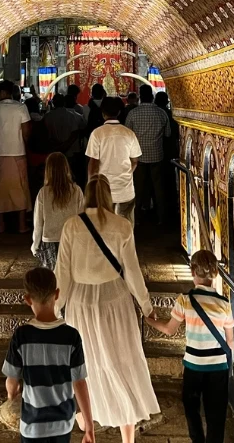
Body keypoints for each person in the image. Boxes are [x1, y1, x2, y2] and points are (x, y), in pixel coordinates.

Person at [55, 175, 160, 443]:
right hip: (115, 299)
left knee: (84, 363)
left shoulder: (71, 226)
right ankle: (128, 438)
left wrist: (54, 309)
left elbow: (62, 272)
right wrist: (146, 306)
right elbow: (132, 272)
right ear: (109, 196)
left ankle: (87, 426)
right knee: (123, 362)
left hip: (80, 302)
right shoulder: (122, 226)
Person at [146, 250, 234, 443]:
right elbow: (230, 341)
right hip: (218, 367)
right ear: (215, 273)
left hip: (194, 366)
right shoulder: (224, 304)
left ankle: (197, 440)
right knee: (216, 412)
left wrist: (150, 320)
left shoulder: (185, 301)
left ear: (193, 271)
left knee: (191, 406)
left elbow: (169, 330)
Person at [3, 268, 95, 443]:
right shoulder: (71, 336)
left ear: (27, 299)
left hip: (32, 426)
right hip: (62, 424)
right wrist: (89, 426)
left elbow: (12, 381)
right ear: (57, 294)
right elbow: (80, 383)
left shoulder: (22, 336)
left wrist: (11, 395)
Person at [86, 97, 141, 225]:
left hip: (103, 191)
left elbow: (93, 163)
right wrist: (127, 173)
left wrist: (91, 186)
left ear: (103, 113)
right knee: (126, 227)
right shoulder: (129, 133)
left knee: (105, 226)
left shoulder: (97, 134)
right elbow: (135, 160)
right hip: (125, 190)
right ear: (119, 112)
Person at [126, 85, 171, 225]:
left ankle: (136, 217)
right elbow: (168, 134)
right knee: (159, 187)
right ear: (152, 97)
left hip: (138, 156)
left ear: (140, 97)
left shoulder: (133, 113)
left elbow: (127, 135)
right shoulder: (161, 113)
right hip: (157, 155)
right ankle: (162, 217)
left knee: (138, 187)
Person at [0, 80, 32, 233]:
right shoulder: (21, 107)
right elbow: (26, 132)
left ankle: (1, 224)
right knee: (20, 187)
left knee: (1, 190)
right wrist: (26, 145)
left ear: (2, 92)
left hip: (1, 152)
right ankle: (21, 224)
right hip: (18, 152)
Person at [31, 153, 84, 270]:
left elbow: (38, 222)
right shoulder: (77, 191)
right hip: (71, 240)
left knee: (53, 276)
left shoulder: (43, 193)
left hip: (50, 241)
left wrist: (35, 245)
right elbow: (82, 220)